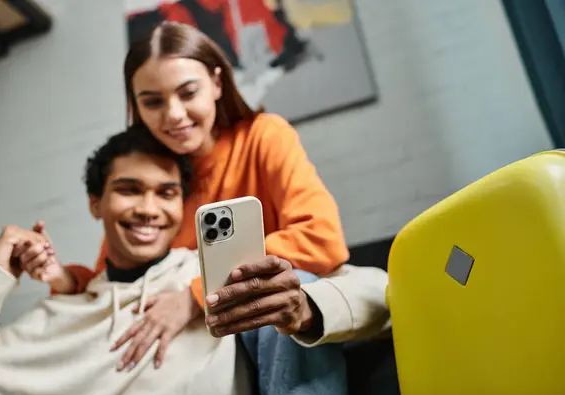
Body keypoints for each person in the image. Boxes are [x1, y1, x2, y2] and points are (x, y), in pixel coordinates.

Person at [26, 20, 357, 371]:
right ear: (136, 107)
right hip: (193, 351)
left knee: (280, 291)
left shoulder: (264, 136)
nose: (174, 115)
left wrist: (196, 297)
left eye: (187, 93)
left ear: (216, 83)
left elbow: (321, 239)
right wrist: (60, 277)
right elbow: (112, 280)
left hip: (266, 324)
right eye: (152, 102)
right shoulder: (153, 178)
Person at [0, 127, 389, 395]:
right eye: (130, 190)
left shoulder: (212, 278)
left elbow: (383, 295)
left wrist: (303, 309)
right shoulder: (55, 315)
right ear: (96, 204)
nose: (149, 208)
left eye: (166, 193)